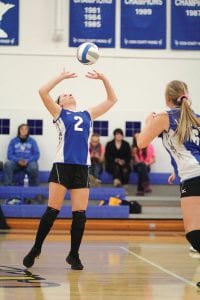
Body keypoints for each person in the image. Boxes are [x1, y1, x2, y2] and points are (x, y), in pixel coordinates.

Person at [23, 69, 117, 270]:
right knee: (52, 210)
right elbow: (42, 91)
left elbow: (112, 100)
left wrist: (104, 78)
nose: (68, 93)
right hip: (62, 166)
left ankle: (74, 254)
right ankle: (36, 248)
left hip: (82, 168)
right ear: (59, 103)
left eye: (70, 93)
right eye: (63, 95)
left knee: (80, 214)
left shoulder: (87, 114)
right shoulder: (59, 113)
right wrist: (60, 77)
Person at [136, 80, 200, 254]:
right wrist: (176, 169)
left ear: (167, 99)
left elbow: (141, 142)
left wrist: (149, 122)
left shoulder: (165, 116)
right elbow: (190, 147)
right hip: (193, 173)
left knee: (194, 234)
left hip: (193, 176)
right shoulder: (195, 116)